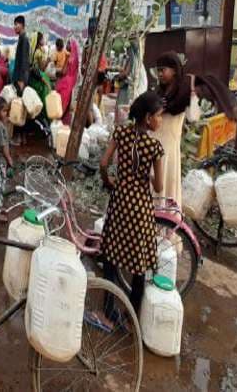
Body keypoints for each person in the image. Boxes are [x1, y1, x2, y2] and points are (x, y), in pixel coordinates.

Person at [100, 90, 164, 315]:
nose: (161, 119)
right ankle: (131, 316)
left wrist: (109, 181)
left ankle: (108, 310)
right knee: (139, 264)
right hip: (140, 209)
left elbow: (104, 162)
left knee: (110, 254)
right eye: (159, 115)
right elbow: (159, 188)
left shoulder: (121, 133)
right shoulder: (154, 148)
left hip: (119, 202)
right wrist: (147, 176)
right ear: (148, 118)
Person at [151, 52, 192, 207]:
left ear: (174, 70)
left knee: (164, 183)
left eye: (163, 70)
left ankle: (163, 223)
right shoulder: (162, 90)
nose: (160, 74)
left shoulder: (182, 91)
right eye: (158, 71)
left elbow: (168, 109)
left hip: (167, 146)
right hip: (156, 142)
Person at [0, 96, 14, 222]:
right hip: (0, 161)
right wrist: (9, 159)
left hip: (0, 161)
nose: (6, 113)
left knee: (1, 184)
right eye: (4, 111)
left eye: (7, 111)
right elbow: (4, 147)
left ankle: (0, 207)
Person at [10, 16, 31, 145]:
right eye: (14, 25)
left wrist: (22, 80)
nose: (14, 27)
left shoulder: (24, 39)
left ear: (22, 25)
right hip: (20, 78)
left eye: (16, 24)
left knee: (19, 108)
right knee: (21, 107)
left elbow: (24, 61)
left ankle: (19, 137)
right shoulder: (22, 39)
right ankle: (22, 137)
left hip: (21, 79)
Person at [55, 40, 80, 123]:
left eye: (69, 43)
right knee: (66, 106)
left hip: (65, 83)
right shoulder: (75, 57)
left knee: (61, 105)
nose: (67, 45)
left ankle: (57, 122)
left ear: (72, 47)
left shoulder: (69, 57)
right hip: (71, 83)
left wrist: (58, 72)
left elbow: (64, 71)